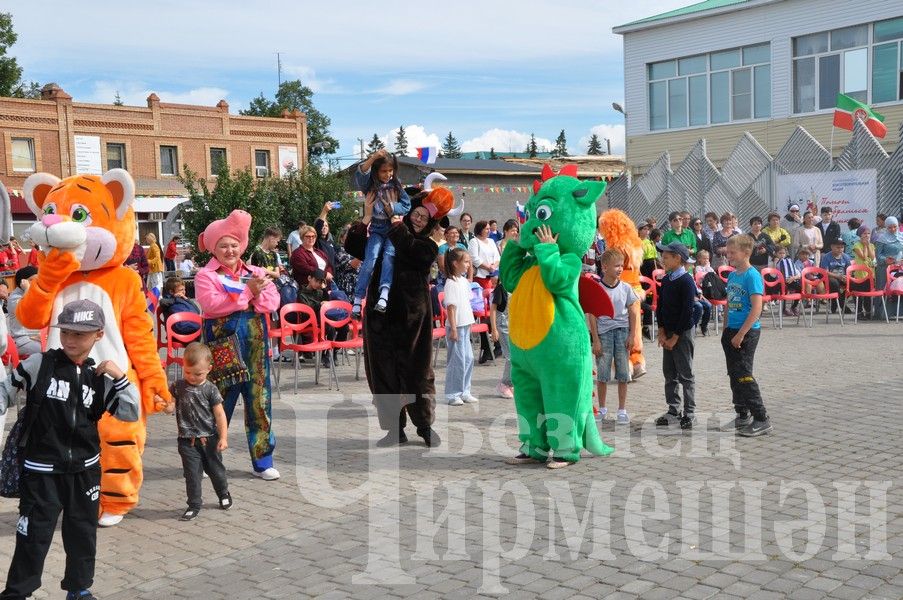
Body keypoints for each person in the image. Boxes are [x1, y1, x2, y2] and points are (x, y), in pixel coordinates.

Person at [0, 299, 139, 600]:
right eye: (66, 332)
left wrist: (120, 377)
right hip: (41, 472)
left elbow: (130, 413)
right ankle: (17, 593)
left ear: (99, 334)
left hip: (86, 472)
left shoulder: (98, 376)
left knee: (82, 535)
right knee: (32, 536)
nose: (70, 340)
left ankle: (79, 589)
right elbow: (4, 393)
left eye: (80, 334)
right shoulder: (40, 364)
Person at [194, 210, 280, 480]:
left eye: (233, 244)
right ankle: (209, 459)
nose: (229, 250)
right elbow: (212, 306)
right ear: (213, 248)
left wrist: (250, 295)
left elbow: (272, 302)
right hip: (221, 350)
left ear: (241, 245)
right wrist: (248, 293)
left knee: (259, 403)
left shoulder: (255, 271)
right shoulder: (205, 276)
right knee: (218, 404)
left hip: (254, 348)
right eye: (223, 245)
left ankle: (263, 461)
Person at [361, 194, 444, 448]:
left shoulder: (427, 245)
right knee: (383, 375)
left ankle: (425, 426)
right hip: (380, 317)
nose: (418, 220)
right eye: (416, 214)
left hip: (412, 321)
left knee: (417, 374)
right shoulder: (383, 233)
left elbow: (413, 253)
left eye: (424, 218)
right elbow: (354, 245)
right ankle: (394, 430)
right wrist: (366, 215)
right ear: (408, 212)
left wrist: (397, 227)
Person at [171, 342, 231, 522]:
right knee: (192, 475)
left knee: (216, 471)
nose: (192, 377)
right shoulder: (178, 386)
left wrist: (223, 437)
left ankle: (223, 493)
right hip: (186, 441)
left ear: (209, 369)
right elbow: (170, 405)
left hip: (209, 440)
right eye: (187, 372)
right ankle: (194, 504)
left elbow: (220, 415)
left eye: (198, 374)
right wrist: (164, 406)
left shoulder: (211, 389)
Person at [352, 149, 411, 318]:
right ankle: (357, 299)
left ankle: (384, 294)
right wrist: (373, 158)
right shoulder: (369, 185)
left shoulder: (396, 186)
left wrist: (392, 207)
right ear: (377, 171)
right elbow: (361, 172)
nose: (388, 174)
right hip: (377, 228)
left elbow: (407, 205)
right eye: (384, 171)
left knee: (389, 256)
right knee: (370, 260)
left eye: (390, 171)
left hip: (392, 228)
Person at [722, 235, 771, 437]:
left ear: (746, 253)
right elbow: (728, 303)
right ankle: (742, 414)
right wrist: (726, 329)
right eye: (728, 252)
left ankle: (761, 418)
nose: (729, 256)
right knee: (734, 374)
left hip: (747, 332)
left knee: (744, 374)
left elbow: (757, 307)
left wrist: (742, 333)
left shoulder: (752, 275)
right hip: (731, 331)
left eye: (733, 252)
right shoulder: (733, 276)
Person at [590, 249, 639, 424]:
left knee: (623, 373)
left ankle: (622, 410)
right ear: (604, 267)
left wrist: (632, 335)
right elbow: (592, 315)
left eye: (621, 266)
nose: (620, 269)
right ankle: (602, 408)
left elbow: (633, 313)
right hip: (604, 334)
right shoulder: (598, 289)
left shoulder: (626, 288)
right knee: (602, 373)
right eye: (616, 265)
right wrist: (595, 339)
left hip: (622, 332)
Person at [654, 242, 697, 430]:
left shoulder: (687, 281)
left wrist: (675, 337)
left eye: (666, 256)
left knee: (685, 374)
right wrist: (662, 331)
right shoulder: (666, 279)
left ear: (678, 258)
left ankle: (689, 413)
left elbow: (687, 312)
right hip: (669, 332)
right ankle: (673, 409)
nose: (662, 259)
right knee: (669, 373)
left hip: (682, 333)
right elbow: (660, 306)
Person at [442, 248, 478, 406]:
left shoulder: (463, 281)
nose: (468, 265)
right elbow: (451, 307)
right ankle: (452, 393)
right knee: (457, 360)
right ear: (455, 263)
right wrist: (454, 329)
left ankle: (465, 391)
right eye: (466, 262)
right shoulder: (451, 283)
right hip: (456, 327)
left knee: (468, 359)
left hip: (465, 325)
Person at [296, 268, 349, 367]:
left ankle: (333, 351)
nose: (318, 284)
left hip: (324, 318)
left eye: (320, 282)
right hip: (311, 320)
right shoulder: (301, 293)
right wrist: (320, 304)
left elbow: (327, 302)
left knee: (344, 327)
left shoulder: (320, 291)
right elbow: (307, 310)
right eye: (316, 281)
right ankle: (326, 354)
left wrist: (324, 289)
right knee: (330, 328)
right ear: (309, 278)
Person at [7, 266, 41, 356]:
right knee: (49, 351)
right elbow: (26, 308)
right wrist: (27, 289)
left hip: (35, 337)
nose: (35, 283)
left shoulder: (32, 293)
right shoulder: (14, 298)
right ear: (22, 282)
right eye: (31, 280)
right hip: (22, 340)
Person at [873, 216, 903, 319]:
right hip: (884, 268)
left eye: (895, 226)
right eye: (890, 227)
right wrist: (885, 260)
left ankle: (899, 312)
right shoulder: (882, 238)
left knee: (899, 289)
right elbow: (878, 255)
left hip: (899, 268)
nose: (893, 229)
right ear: (886, 227)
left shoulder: (901, 236)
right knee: (884, 289)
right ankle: (881, 313)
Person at [490, 279, 513, 399]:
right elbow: (493, 309)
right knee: (510, 356)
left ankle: (510, 383)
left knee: (515, 356)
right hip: (503, 325)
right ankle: (504, 384)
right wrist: (494, 329)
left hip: (513, 325)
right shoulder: (501, 288)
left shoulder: (515, 285)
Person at [820, 238, 852, 312]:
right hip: (830, 278)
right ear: (832, 247)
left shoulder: (846, 257)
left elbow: (849, 270)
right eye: (838, 247)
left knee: (853, 283)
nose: (840, 249)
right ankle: (841, 304)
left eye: (842, 247)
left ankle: (838, 300)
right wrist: (838, 276)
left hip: (842, 277)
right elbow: (825, 272)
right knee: (834, 283)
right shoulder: (826, 257)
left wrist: (847, 277)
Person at [468, 220, 501, 290]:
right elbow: (474, 259)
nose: (489, 230)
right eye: (487, 229)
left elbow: (498, 257)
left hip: (494, 276)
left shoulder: (491, 241)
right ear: (480, 230)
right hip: (481, 277)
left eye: (489, 229)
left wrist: (493, 267)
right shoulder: (474, 241)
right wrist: (488, 267)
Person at [333, 225, 361, 300]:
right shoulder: (339, 250)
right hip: (347, 289)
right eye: (349, 235)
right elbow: (352, 265)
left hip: (360, 287)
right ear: (342, 239)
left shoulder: (357, 250)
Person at [774, 246, 802, 316]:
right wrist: (775, 264)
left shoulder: (789, 262)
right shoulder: (774, 262)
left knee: (799, 287)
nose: (782, 255)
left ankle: (794, 306)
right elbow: (773, 275)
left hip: (790, 280)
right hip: (778, 283)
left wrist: (793, 278)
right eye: (780, 253)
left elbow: (799, 274)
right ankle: (783, 309)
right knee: (784, 289)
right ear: (776, 254)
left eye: (783, 253)